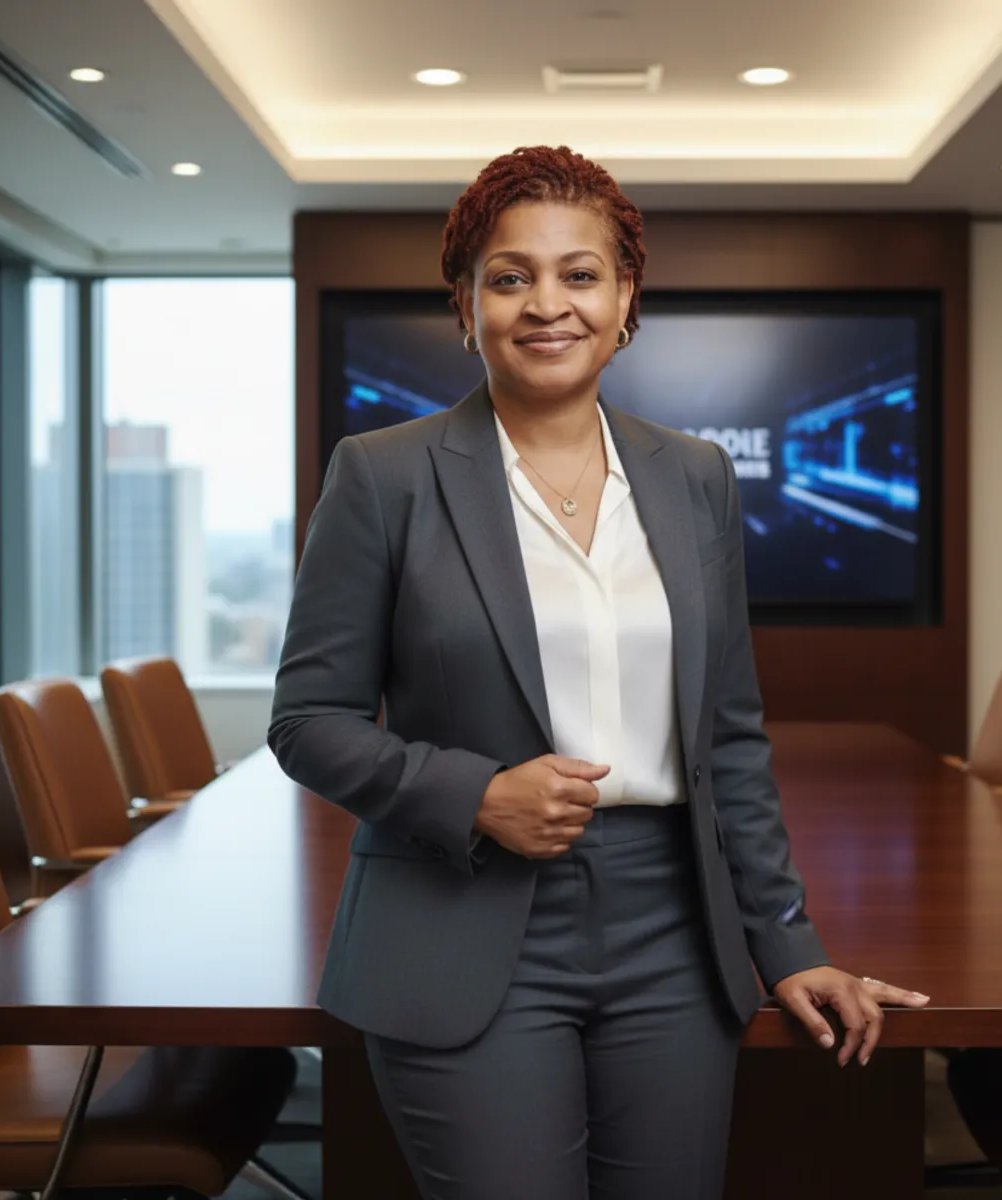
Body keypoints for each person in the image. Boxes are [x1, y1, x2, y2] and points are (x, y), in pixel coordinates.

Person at [269, 144, 930, 1200]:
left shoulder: (696, 475)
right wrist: (475, 792)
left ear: (626, 302)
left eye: (581, 274)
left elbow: (728, 736)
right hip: (460, 920)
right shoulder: (382, 476)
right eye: (509, 275)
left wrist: (789, 942)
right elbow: (308, 719)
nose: (547, 305)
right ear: (466, 304)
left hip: (674, 923)